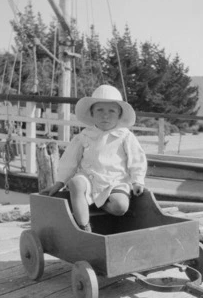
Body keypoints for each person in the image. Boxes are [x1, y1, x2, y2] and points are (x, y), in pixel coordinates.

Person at [41, 84, 147, 232]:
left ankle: (99, 202)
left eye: (111, 111)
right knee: (76, 183)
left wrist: (137, 181)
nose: (105, 115)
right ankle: (84, 226)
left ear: (119, 114)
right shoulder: (84, 135)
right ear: (91, 113)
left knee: (120, 207)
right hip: (90, 179)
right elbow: (69, 160)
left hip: (115, 181)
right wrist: (59, 182)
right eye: (100, 110)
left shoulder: (125, 136)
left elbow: (137, 160)